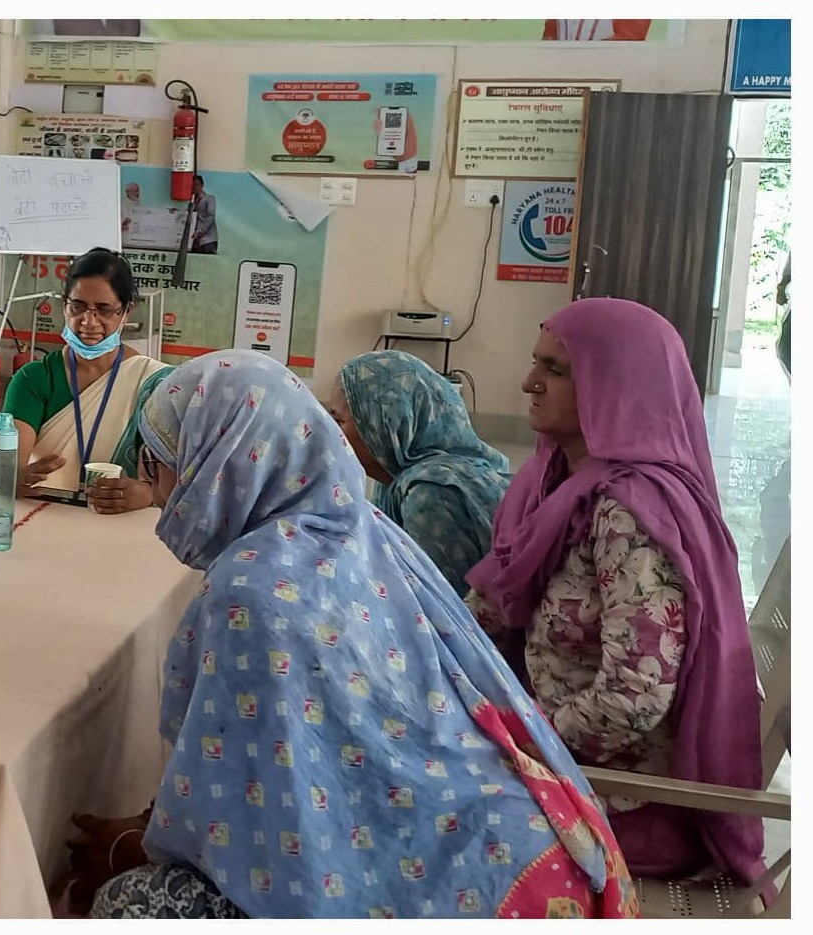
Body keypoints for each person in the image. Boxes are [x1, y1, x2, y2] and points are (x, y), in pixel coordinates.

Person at [63, 350, 637, 920]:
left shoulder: (252, 586)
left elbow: (258, 808)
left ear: (219, 463)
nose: (159, 487)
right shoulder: (362, 524)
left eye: (161, 464)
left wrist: (136, 844)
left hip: (475, 886)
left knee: (126, 905)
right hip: (532, 839)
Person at [465, 298, 765, 886]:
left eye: (556, 369)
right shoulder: (556, 479)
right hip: (564, 760)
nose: (529, 383)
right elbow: (497, 602)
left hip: (620, 797)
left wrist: (524, 741)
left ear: (619, 385)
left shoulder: (630, 514)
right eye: (535, 362)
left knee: (420, 809)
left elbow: (634, 696)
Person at [2, 248, 172, 515]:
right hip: (46, 515)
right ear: (64, 305)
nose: (88, 321)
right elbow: (7, 467)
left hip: (125, 521)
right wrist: (13, 478)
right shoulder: (33, 379)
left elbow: (177, 478)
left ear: (126, 311)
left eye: (104, 310)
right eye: (78, 306)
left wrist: (149, 493)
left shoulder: (153, 383)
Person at [328, 350, 510, 592]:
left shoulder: (432, 494)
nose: (332, 434)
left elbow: (435, 607)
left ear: (383, 425)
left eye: (339, 421)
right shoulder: (397, 479)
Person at [189, 175, 218, 255]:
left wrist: (200, 231)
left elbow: (210, 216)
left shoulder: (209, 199)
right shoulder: (192, 202)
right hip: (196, 241)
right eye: (192, 186)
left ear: (202, 185)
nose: (195, 188)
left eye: (197, 185)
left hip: (208, 240)